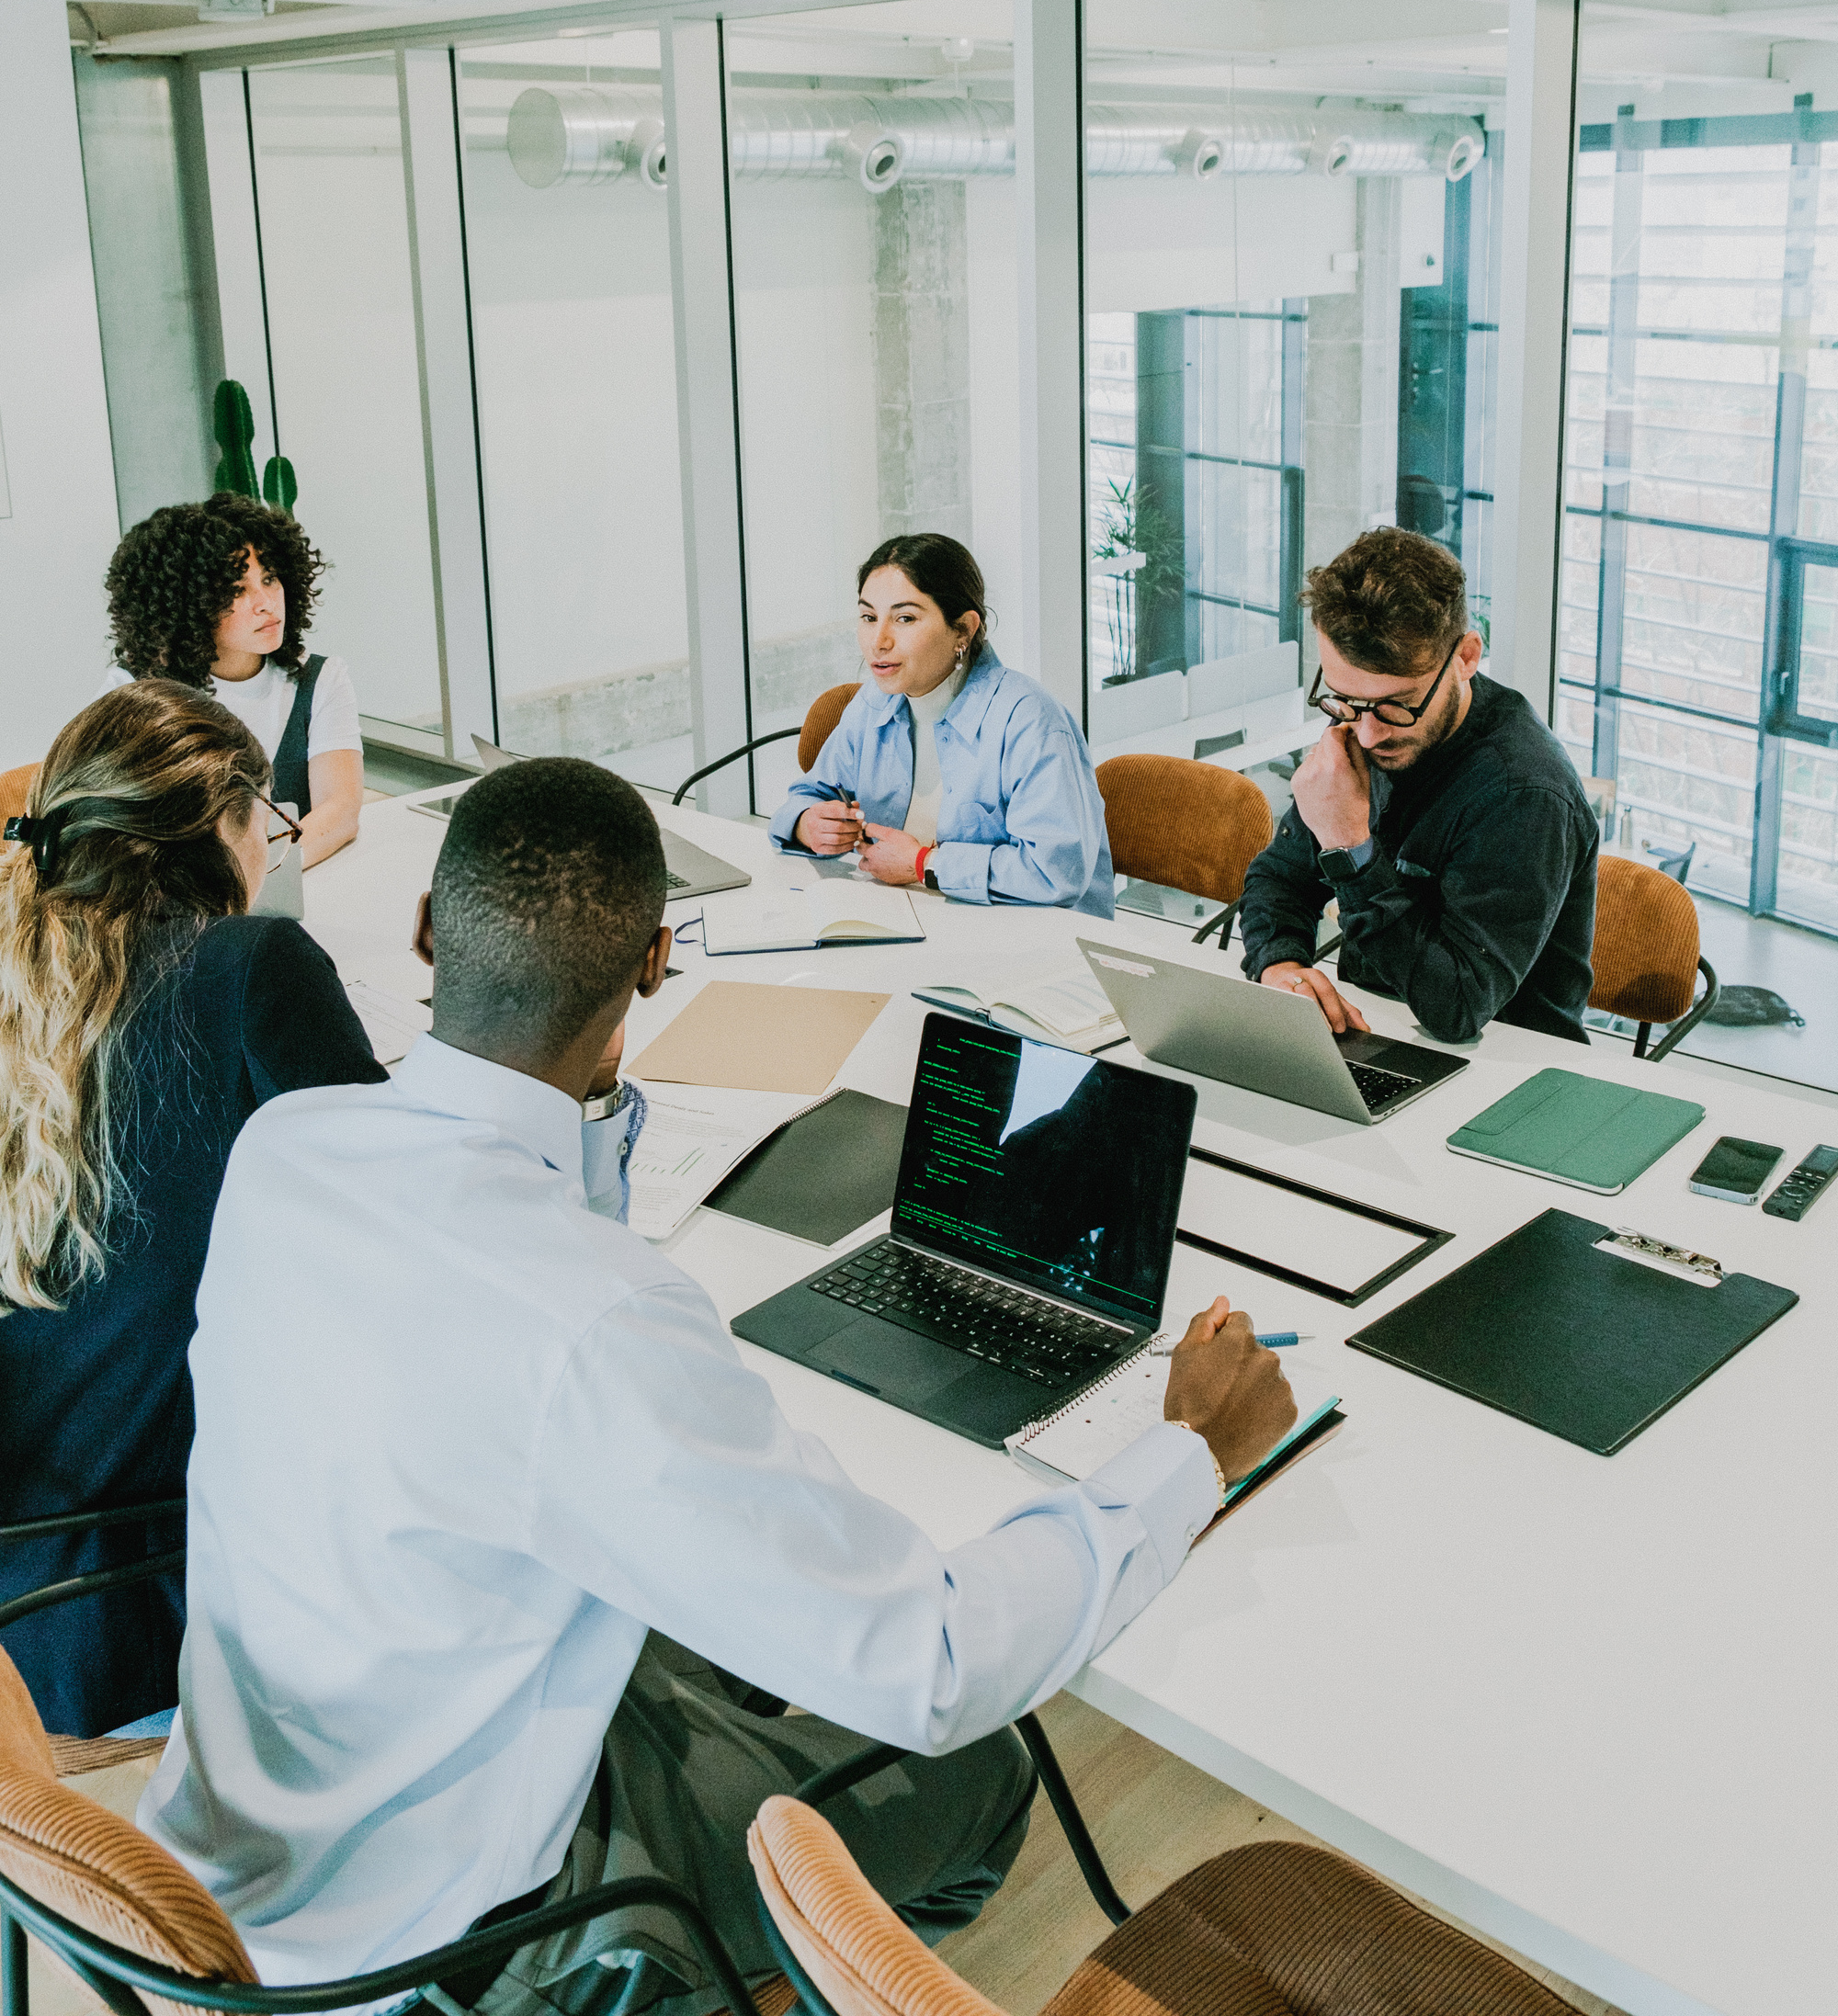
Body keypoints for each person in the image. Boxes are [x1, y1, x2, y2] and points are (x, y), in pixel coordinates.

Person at [142, 760, 1294, 2010]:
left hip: (252, 1835)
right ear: (652, 963)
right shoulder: (596, 1321)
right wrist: (1188, 1451)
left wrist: (587, 1110)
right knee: (985, 1776)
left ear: (429, 927)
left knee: (720, 1635)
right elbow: (935, 1664)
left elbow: (528, 1290)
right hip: (441, 1944)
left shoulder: (288, 1147)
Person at [0, 683, 384, 1738]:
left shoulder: (22, 981)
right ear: (221, 823)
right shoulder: (252, 965)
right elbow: (401, 1223)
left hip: (30, 1619)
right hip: (164, 1614)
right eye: (271, 823)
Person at [1237, 529, 1599, 1045]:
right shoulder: (1367, 722)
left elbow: (1458, 1009)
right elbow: (1280, 878)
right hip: (1377, 1031)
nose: (1367, 734)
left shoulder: (1525, 794)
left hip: (1506, 1060)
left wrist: (1350, 848)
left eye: (1397, 704)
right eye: (1345, 699)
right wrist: (1283, 968)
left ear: (1466, 657)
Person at [770, 533, 1114, 914]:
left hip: (1029, 937)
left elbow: (1056, 873)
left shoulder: (1031, 720)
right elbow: (809, 795)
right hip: (908, 919)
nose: (878, 641)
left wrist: (924, 864)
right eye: (869, 617)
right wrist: (806, 824)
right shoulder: (872, 703)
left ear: (963, 629)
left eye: (905, 618)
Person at [106, 493, 364, 869]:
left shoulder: (321, 678)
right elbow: (122, 836)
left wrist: (261, 879)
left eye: (269, 579)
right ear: (187, 605)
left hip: (297, 886)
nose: (266, 602)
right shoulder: (131, 692)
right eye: (237, 590)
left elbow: (339, 811)